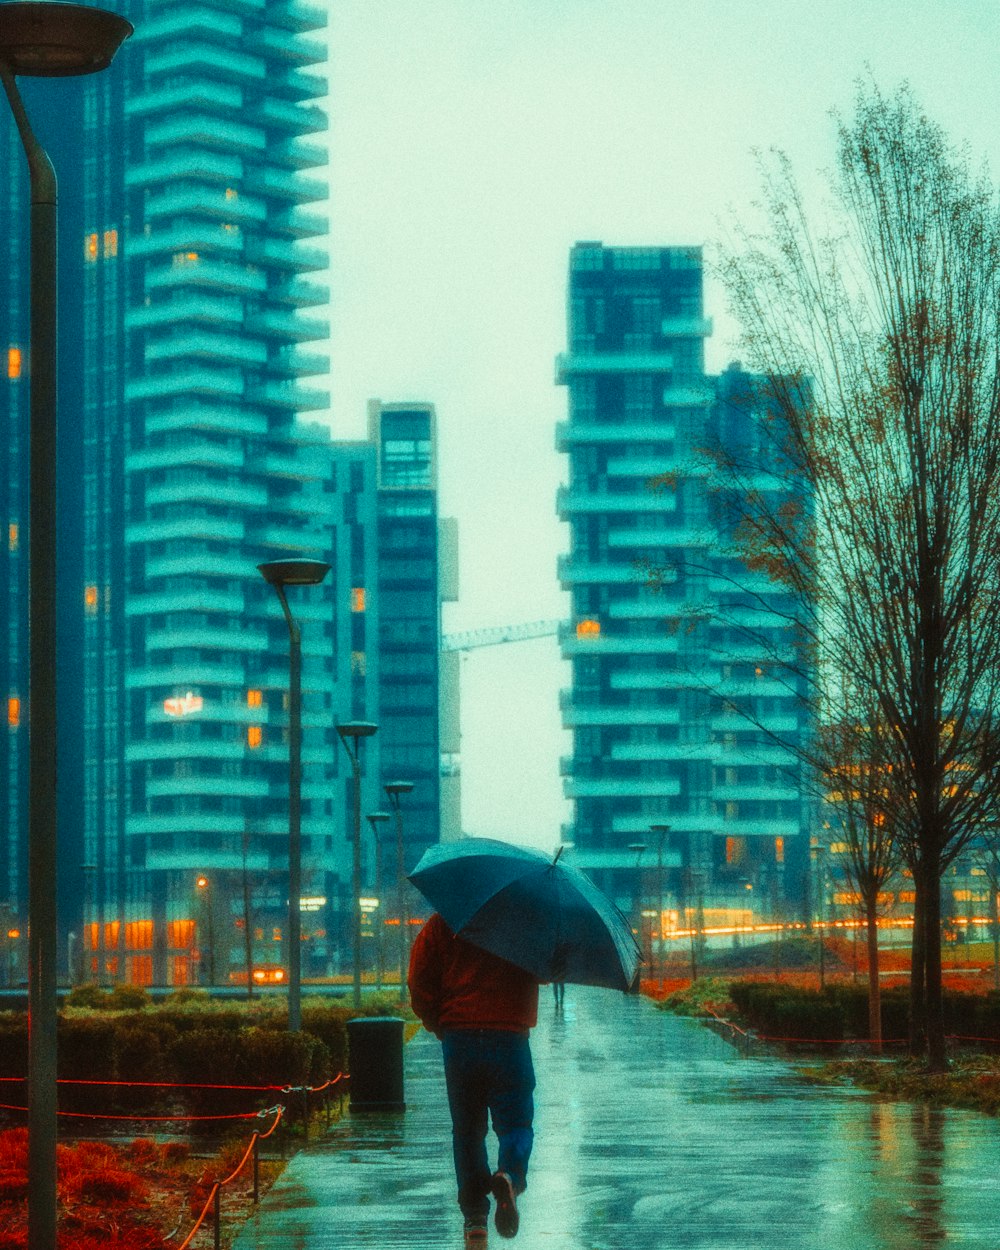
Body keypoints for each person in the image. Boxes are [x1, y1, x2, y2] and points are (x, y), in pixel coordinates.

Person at [408, 912, 539, 1245]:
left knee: (467, 1131)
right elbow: (546, 967)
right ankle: (508, 1173)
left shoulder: (444, 922)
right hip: (509, 1037)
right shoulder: (524, 921)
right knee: (516, 1124)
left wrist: (437, 1020)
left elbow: (419, 978)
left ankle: (475, 1220)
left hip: (460, 1038)